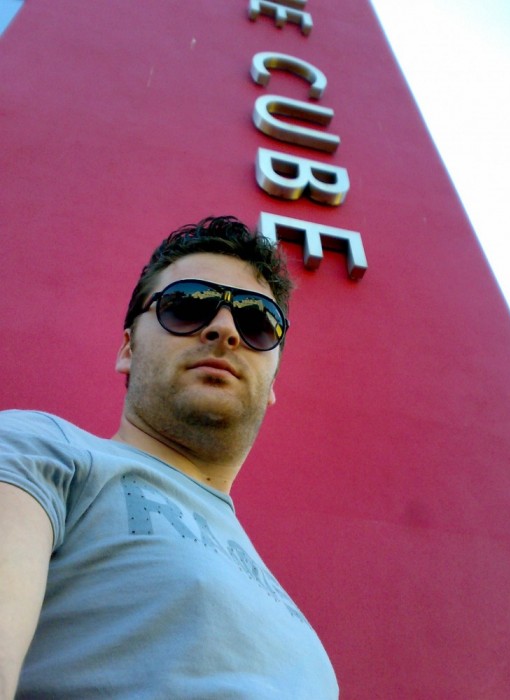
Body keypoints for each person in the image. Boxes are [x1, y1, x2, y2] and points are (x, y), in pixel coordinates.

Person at [0, 216, 338, 699]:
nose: (224, 330)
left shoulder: (297, 625)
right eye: (187, 306)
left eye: (257, 322)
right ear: (128, 348)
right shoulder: (44, 449)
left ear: (272, 386)